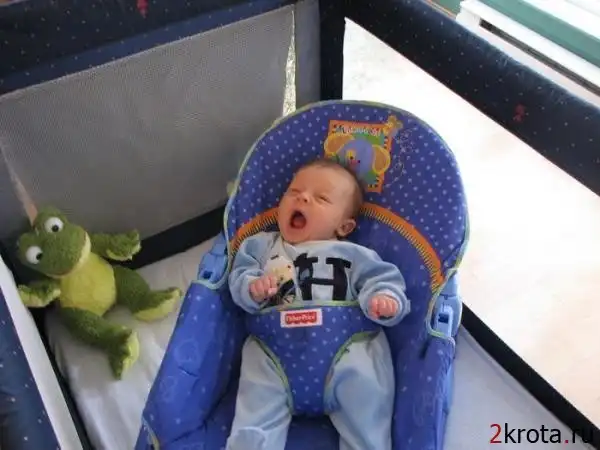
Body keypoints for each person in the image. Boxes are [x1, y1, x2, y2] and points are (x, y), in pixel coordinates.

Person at [226, 158, 410, 450]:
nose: (302, 198)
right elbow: (239, 277)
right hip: (273, 351)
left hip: (346, 349)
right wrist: (252, 288)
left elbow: (382, 279)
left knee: (367, 397)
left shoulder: (354, 254)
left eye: (321, 198)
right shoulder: (260, 245)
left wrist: (384, 300)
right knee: (254, 412)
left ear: (344, 226)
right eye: (293, 191)